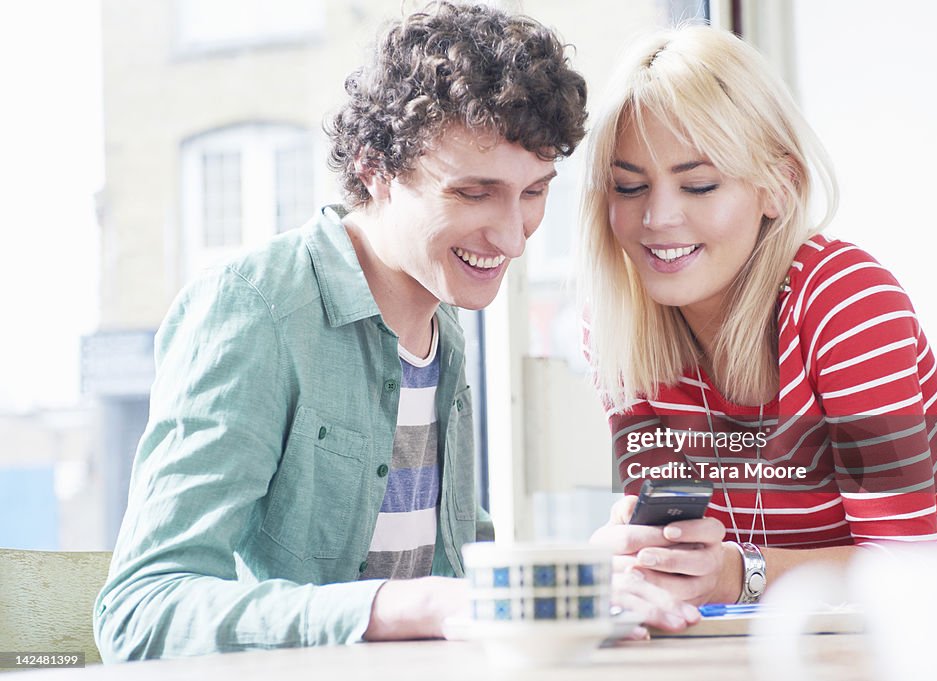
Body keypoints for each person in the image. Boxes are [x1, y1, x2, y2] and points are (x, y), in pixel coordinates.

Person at [93, 1, 587, 660]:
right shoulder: (256, 310)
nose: (513, 237)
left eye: (534, 193)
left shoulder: (444, 323)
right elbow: (139, 611)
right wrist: (393, 604)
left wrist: (589, 581)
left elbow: (444, 574)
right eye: (473, 194)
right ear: (373, 168)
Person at [578, 25, 937, 631]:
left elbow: (909, 567)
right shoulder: (617, 328)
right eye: (629, 186)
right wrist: (642, 563)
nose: (656, 218)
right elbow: (679, 557)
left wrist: (741, 573)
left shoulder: (844, 299)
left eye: (699, 184)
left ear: (778, 187)